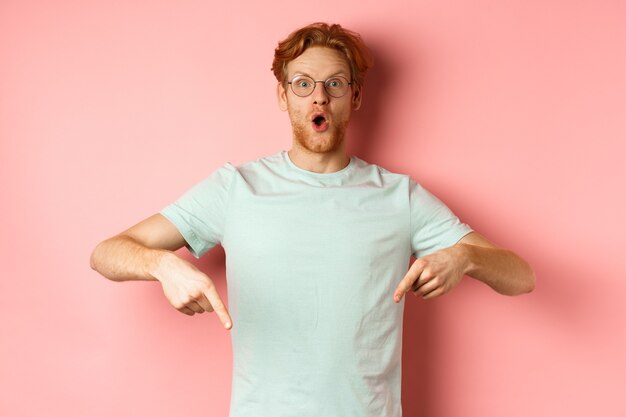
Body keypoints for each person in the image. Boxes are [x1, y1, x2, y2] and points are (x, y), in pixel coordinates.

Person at [90, 22, 535, 417]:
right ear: (283, 95)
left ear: (355, 96)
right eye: (302, 84)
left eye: (335, 83)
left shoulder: (400, 197)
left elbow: (521, 276)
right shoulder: (236, 188)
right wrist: (163, 265)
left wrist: (463, 258)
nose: (318, 95)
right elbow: (106, 253)